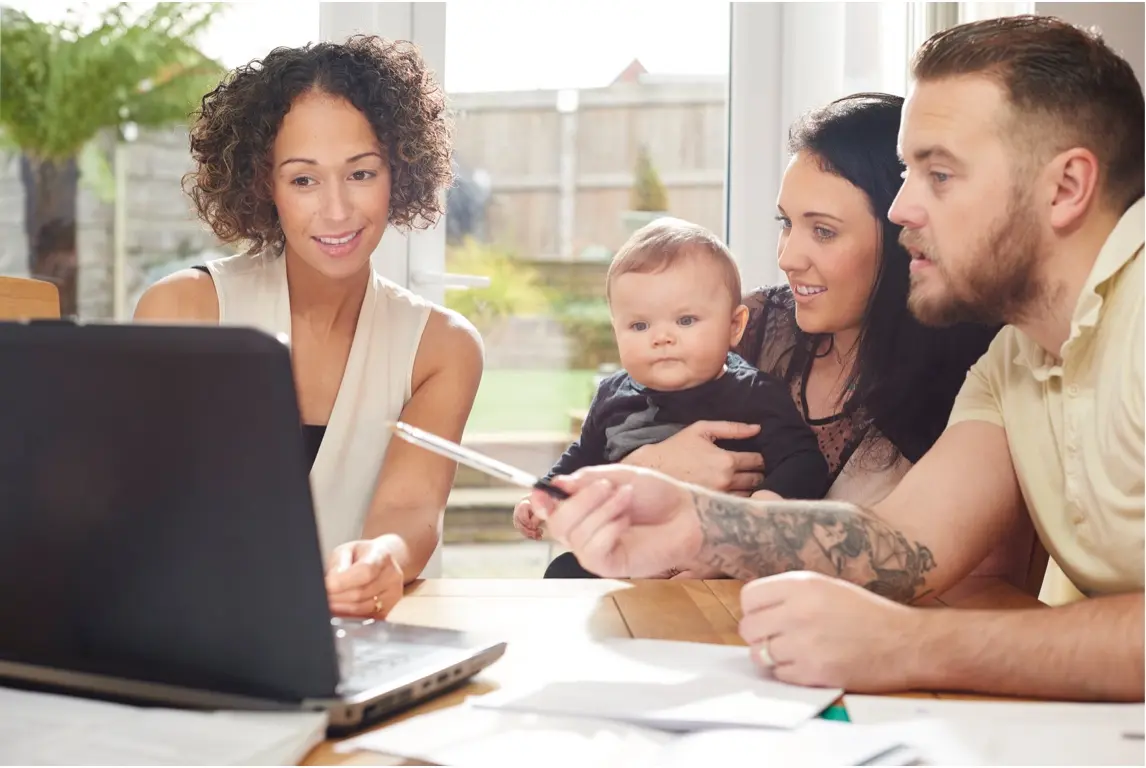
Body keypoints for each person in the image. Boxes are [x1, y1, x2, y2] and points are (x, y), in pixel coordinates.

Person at [530, 15, 1144, 702]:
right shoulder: (1014, 358)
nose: (903, 207)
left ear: (1065, 189)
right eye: (909, 173)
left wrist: (909, 646)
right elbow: (909, 544)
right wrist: (698, 526)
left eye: (938, 174)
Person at [133, 37, 483, 620]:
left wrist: (384, 559)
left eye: (361, 173)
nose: (338, 210)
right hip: (194, 628)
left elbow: (412, 509)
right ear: (262, 186)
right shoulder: (185, 310)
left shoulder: (442, 349)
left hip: (355, 641)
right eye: (303, 180)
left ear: (399, 172)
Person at [513, 219, 829, 577]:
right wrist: (543, 497)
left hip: (714, 563)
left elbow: (804, 463)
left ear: (734, 326)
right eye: (640, 326)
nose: (661, 337)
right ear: (615, 329)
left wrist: (757, 513)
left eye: (685, 320)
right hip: (624, 558)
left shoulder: (754, 395)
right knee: (563, 572)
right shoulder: (612, 396)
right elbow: (581, 459)